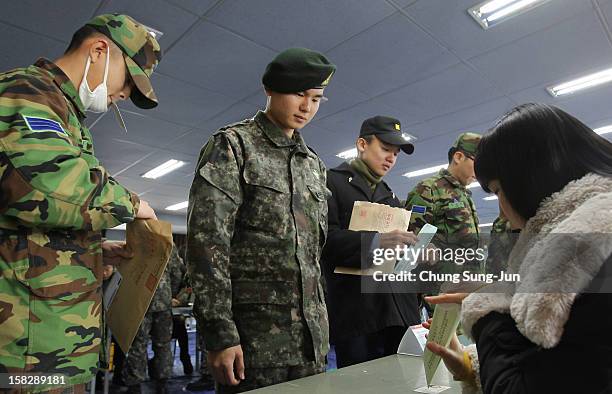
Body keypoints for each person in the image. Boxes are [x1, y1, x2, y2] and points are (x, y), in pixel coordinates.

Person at [0, 13, 161, 391]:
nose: (124, 95)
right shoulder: (26, 91)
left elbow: (32, 225)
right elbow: (42, 185)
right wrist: (133, 204)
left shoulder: (62, 112)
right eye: (129, 82)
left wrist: (89, 252)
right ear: (99, 50)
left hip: (50, 341)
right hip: (25, 353)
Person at [425, 103, 612, 393]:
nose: (500, 213)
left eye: (499, 190)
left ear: (531, 176)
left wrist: (489, 307)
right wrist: (473, 368)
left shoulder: (585, 253)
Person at [186, 47, 336, 393]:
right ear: (270, 89)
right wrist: (220, 334)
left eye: (316, 99)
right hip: (254, 341)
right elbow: (207, 245)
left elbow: (312, 256)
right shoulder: (234, 146)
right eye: (299, 94)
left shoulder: (312, 163)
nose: (306, 107)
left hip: (311, 343)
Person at [321, 116, 421, 368]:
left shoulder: (390, 196)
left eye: (396, 154)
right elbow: (324, 242)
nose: (391, 158)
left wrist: (417, 252)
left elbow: (399, 259)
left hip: (396, 313)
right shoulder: (332, 183)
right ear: (362, 144)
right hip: (358, 315)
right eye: (386, 149)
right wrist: (375, 241)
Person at [405, 132, 483, 294]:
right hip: (441, 291)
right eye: (478, 163)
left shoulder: (465, 195)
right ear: (459, 157)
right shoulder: (428, 190)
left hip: (468, 288)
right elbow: (412, 243)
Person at [122, 245, 184, 394]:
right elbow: (176, 272)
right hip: (163, 300)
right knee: (163, 344)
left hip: (140, 300)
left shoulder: (135, 241)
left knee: (138, 344)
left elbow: (125, 271)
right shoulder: (167, 243)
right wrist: (171, 294)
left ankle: (134, 385)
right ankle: (162, 382)